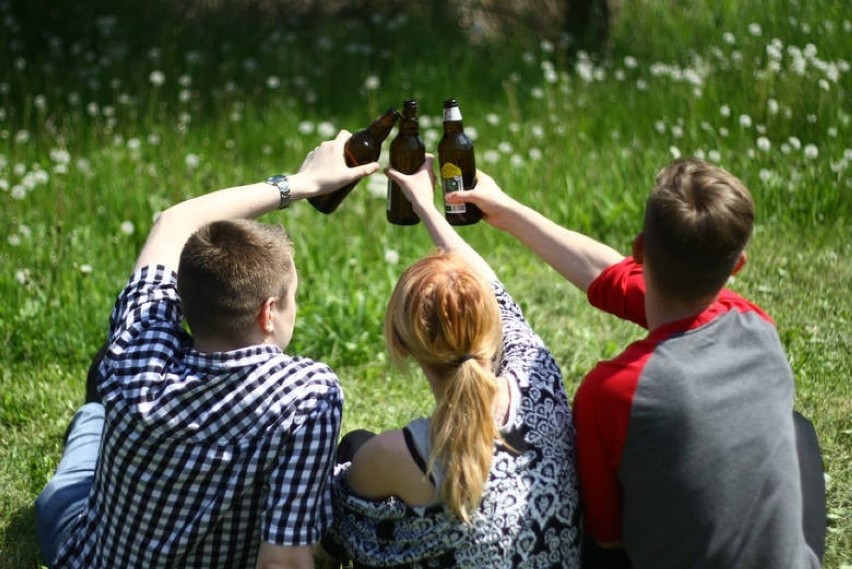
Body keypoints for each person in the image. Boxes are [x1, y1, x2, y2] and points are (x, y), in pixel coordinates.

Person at [448, 158, 826, 569]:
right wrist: (506, 210)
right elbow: (610, 276)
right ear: (737, 265)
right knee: (798, 429)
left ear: (640, 249)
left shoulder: (614, 391)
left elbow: (605, 541)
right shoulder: (756, 324)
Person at [35, 132, 380, 569]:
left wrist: (301, 182)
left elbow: (173, 222)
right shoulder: (306, 395)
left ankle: (95, 420)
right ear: (268, 312)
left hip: (87, 555)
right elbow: (284, 562)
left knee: (81, 454)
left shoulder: (139, 345)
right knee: (93, 430)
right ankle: (96, 422)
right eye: (294, 296)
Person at [318, 155, 582, 568]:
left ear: (402, 345)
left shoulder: (395, 454)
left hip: (376, 483)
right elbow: (490, 284)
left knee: (345, 477)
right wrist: (426, 205)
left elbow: (326, 519)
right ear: (491, 326)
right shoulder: (538, 374)